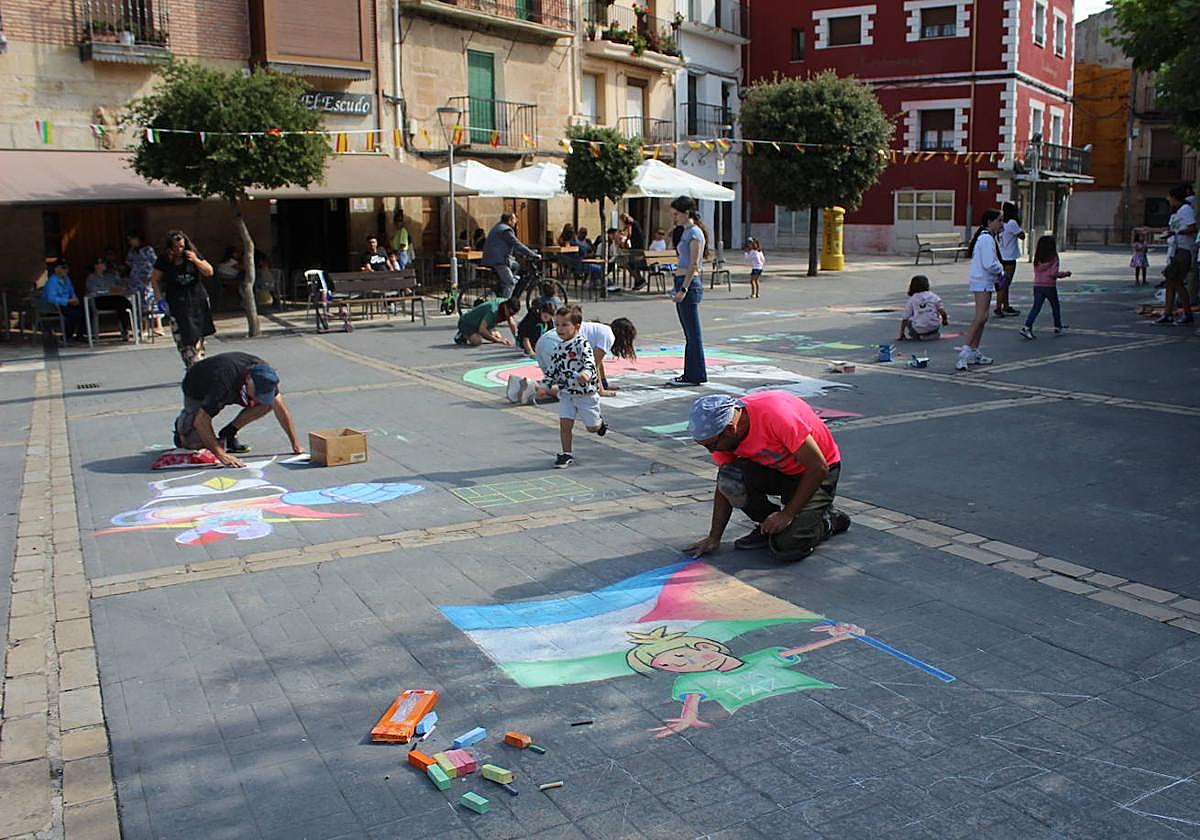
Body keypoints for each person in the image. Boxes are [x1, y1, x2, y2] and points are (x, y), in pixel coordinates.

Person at [683, 392, 850, 563]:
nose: (711, 451)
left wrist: (788, 514)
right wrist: (714, 537)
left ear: (730, 429)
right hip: (778, 470)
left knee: (789, 546)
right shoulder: (724, 439)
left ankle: (829, 521)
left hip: (816, 471)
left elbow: (818, 467)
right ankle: (768, 526)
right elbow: (724, 483)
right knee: (731, 478)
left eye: (712, 445)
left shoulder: (776, 415)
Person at [172, 352, 303, 469]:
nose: (259, 397)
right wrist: (222, 455)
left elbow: (281, 409)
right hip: (198, 387)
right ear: (248, 380)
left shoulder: (265, 375)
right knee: (194, 443)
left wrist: (295, 443)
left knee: (268, 403)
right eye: (257, 393)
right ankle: (183, 428)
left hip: (231, 386)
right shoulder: (223, 382)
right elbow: (202, 421)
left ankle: (230, 431)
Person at [544, 307, 607, 468]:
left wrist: (585, 374)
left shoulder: (582, 343)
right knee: (565, 425)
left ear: (577, 327)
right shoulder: (558, 347)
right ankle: (566, 454)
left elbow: (590, 362)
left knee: (592, 428)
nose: (560, 329)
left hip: (585, 394)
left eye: (565, 325)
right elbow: (553, 368)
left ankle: (599, 424)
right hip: (566, 393)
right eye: (557, 325)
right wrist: (544, 385)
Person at [151, 230, 215, 368]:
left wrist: (196, 260)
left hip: (197, 299)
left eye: (181, 246)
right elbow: (155, 279)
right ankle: (191, 363)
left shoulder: (192, 255)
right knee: (183, 337)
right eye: (175, 247)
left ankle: (198, 364)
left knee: (197, 335)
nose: (179, 249)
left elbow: (209, 271)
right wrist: (159, 298)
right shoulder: (164, 260)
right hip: (177, 302)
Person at [667, 195, 708, 387]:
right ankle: (691, 373)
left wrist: (684, 288)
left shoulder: (695, 233)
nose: (674, 217)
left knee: (693, 333)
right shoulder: (684, 231)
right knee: (689, 333)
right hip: (680, 279)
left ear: (686, 213)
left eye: (676, 214)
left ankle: (695, 374)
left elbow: (693, 264)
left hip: (688, 283)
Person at [956, 210, 1003, 371]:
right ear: (990, 222)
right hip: (982, 281)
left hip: (984, 281)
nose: (1001, 224)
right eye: (999, 220)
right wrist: (1000, 269)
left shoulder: (986, 238)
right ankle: (963, 354)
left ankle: (974, 351)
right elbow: (989, 263)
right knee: (979, 317)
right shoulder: (986, 239)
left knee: (983, 317)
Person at [1155, 184, 1195, 324]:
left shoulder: (1186, 210)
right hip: (1174, 250)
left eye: (1169, 196)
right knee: (1170, 282)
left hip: (1182, 250)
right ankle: (1168, 313)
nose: (1168, 199)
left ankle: (1187, 313)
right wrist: (1152, 230)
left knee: (1177, 283)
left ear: (1174, 197)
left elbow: (1192, 228)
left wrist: (1176, 232)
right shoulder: (1177, 212)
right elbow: (1173, 228)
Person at [1020, 235, 1071, 339]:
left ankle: (1027, 327)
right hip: (1049, 286)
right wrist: (1065, 274)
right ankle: (1058, 326)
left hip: (1038, 285)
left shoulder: (1038, 257)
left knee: (1036, 307)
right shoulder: (1053, 257)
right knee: (1055, 305)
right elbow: (1053, 273)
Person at [482, 212, 539, 299]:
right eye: (514, 219)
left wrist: (527, 253)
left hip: (494, 258)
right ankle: (503, 306)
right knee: (510, 283)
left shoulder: (499, 227)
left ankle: (507, 290)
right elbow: (516, 244)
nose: (516, 221)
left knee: (516, 266)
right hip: (498, 261)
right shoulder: (506, 230)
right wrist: (533, 254)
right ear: (510, 220)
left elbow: (511, 246)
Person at [85, 257, 133, 341]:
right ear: (96, 266)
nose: (104, 264)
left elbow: (119, 285)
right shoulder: (91, 278)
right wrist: (106, 291)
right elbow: (93, 290)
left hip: (113, 299)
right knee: (121, 302)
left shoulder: (110, 276)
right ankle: (126, 329)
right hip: (99, 300)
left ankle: (126, 329)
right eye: (101, 263)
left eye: (104, 263)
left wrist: (120, 284)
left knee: (121, 303)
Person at [127, 232, 164, 336]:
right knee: (140, 304)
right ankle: (144, 327)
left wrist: (152, 276)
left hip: (148, 280)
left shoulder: (148, 249)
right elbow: (129, 263)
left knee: (152, 301)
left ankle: (159, 326)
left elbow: (155, 262)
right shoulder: (132, 251)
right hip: (136, 281)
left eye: (132, 239)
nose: (131, 242)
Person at [41, 259, 84, 342]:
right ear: (56, 269)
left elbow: (72, 291)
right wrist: (67, 301)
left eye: (67, 268)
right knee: (73, 314)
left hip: (67, 303)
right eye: (63, 268)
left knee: (84, 311)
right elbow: (51, 298)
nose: (66, 270)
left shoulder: (67, 279)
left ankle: (80, 335)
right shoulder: (52, 281)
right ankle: (67, 336)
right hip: (55, 306)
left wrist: (75, 299)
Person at [897, 275, 948, 341]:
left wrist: (901, 333)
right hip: (934, 327)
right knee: (934, 314)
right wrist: (944, 320)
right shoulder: (933, 296)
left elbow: (905, 318)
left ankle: (917, 335)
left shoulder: (912, 299)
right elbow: (942, 311)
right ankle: (932, 332)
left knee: (909, 320)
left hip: (919, 329)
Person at [454, 296, 521, 347]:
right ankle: (462, 335)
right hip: (467, 323)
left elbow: (512, 323)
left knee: (498, 336)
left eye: (513, 314)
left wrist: (517, 339)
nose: (510, 315)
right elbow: (482, 330)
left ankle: (479, 332)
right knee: (477, 341)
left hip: (482, 323)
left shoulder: (507, 304)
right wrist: (499, 341)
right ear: (506, 306)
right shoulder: (493, 310)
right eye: (510, 313)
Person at [996, 201, 1024, 317]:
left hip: (1001, 255)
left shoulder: (1001, 223)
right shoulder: (1012, 223)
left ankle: (1006, 306)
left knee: (1004, 283)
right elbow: (1022, 236)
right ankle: (998, 307)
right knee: (1005, 283)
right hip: (1010, 257)